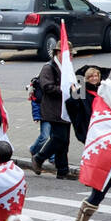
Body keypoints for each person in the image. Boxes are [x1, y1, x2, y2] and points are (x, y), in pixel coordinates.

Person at [33, 49, 78, 180]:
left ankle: (62, 170)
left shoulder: (67, 68)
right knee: (59, 138)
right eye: (68, 54)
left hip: (66, 110)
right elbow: (47, 87)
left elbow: (75, 84)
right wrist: (66, 90)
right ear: (58, 53)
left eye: (71, 55)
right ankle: (39, 158)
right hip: (53, 109)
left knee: (64, 141)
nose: (70, 57)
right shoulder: (49, 67)